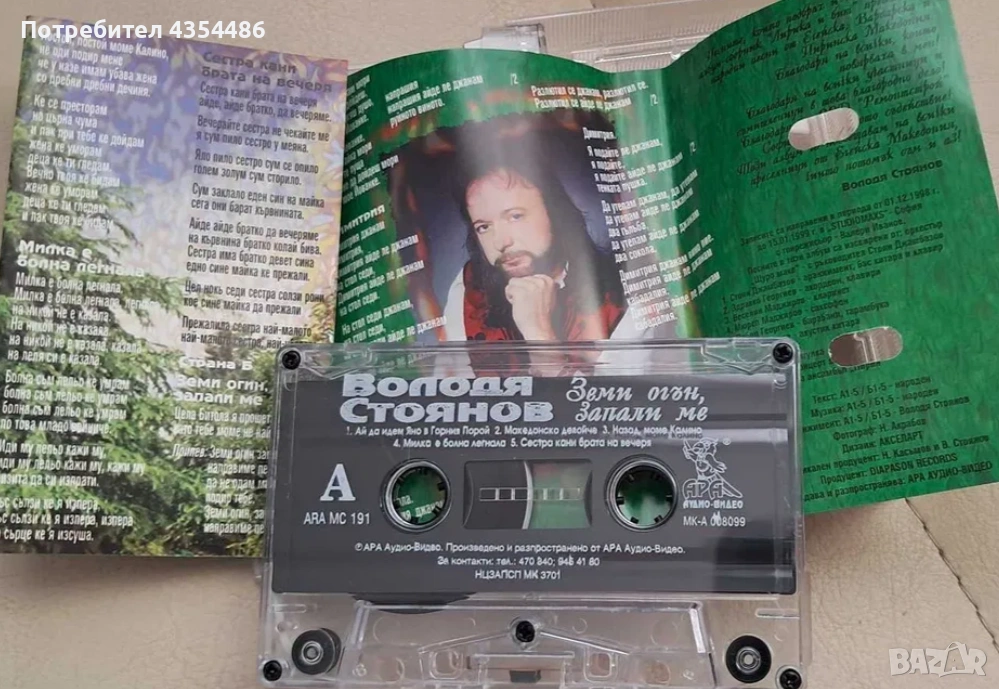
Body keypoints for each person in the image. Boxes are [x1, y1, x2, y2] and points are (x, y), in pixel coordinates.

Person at [442, 141, 645, 344]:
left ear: (554, 211)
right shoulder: (467, 288)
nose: (501, 242)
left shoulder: (624, 292)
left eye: (515, 216)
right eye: (484, 227)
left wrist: (538, 333)